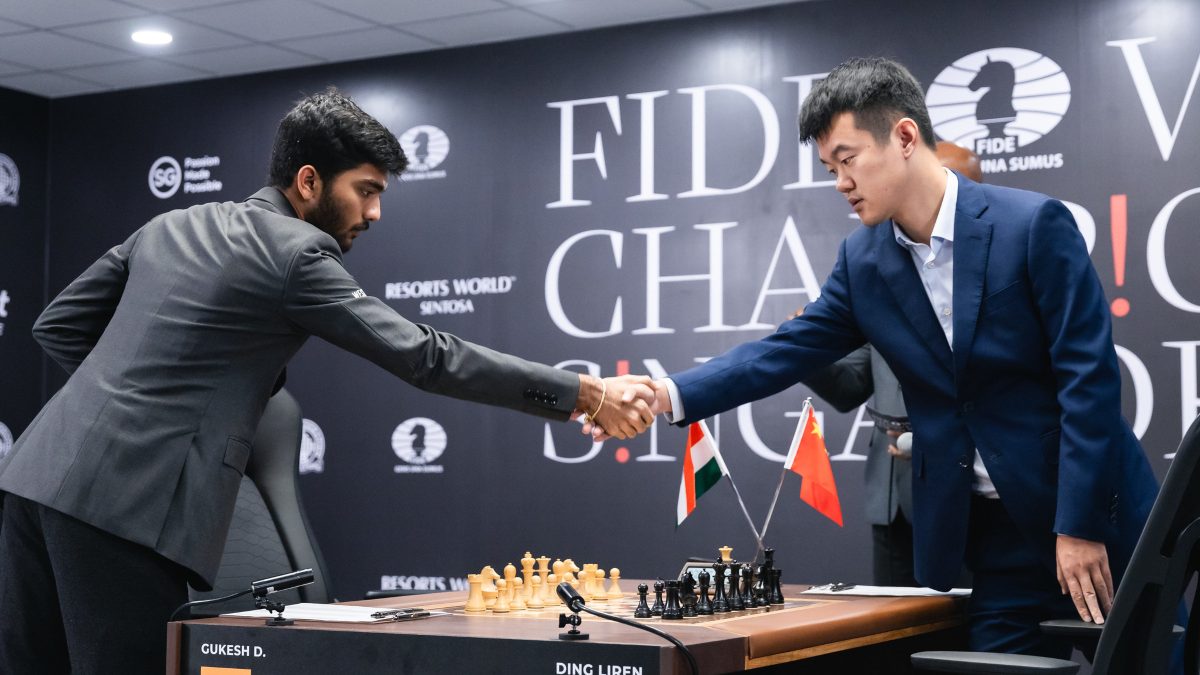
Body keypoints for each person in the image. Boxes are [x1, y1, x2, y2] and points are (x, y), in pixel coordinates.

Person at [0, 88, 656, 674]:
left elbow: (58, 324)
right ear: (309, 181)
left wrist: (123, 406)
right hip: (126, 508)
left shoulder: (174, 223)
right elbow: (427, 357)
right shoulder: (297, 252)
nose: (373, 213)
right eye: (365, 190)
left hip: (32, 481)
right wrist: (586, 392)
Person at [628, 57, 1160, 657]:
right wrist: (665, 393)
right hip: (995, 543)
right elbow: (779, 354)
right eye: (830, 167)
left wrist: (1080, 525)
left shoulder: (1033, 225)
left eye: (847, 160)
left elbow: (1087, 382)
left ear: (905, 137)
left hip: (1097, 521)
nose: (839, 183)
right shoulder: (864, 263)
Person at [800, 142, 984, 588]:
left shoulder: (989, 281)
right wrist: (806, 348)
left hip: (967, 492)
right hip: (890, 496)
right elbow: (849, 387)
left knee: (970, 635)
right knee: (893, 641)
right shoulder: (878, 281)